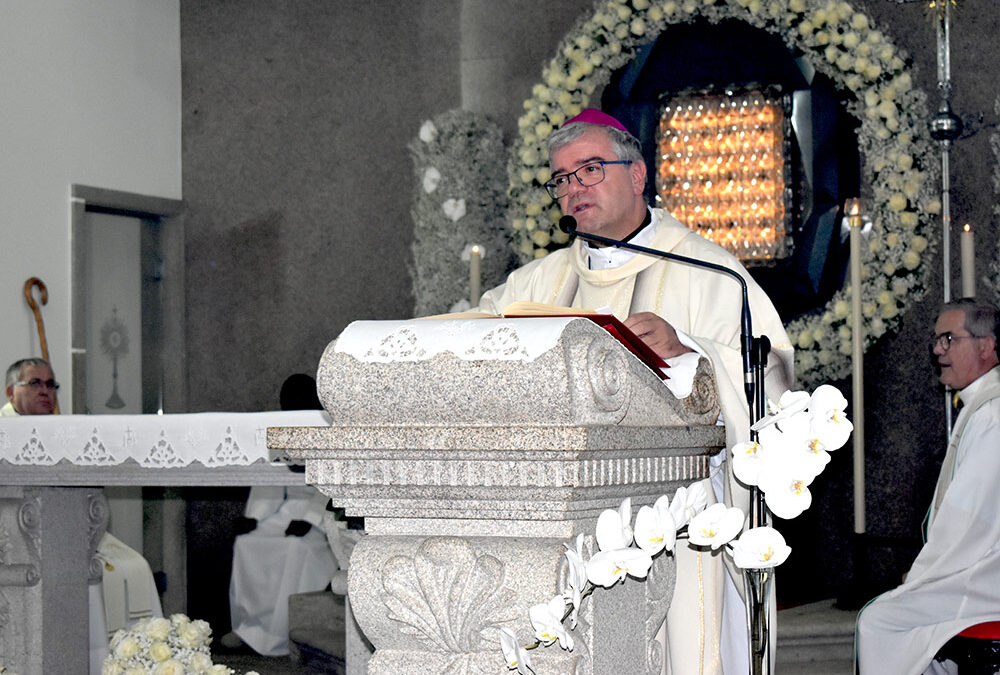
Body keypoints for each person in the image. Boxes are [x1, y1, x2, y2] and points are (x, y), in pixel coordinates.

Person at [478, 109, 793, 675]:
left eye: (590, 169)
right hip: (560, 516)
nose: (573, 188)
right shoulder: (537, 283)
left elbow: (772, 375)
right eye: (562, 178)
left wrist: (692, 350)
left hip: (680, 522)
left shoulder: (709, 271)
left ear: (638, 175)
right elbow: (467, 340)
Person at [857, 298, 1000, 675]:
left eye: (949, 339)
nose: (938, 350)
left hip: (986, 578)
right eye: (937, 340)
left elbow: (969, 522)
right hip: (981, 566)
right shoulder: (982, 406)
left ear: (987, 346)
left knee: (878, 621)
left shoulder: (992, 416)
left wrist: (921, 575)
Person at [223, 374, 337, 656]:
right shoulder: (279, 429)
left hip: (320, 517)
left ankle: (282, 633)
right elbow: (271, 480)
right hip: (283, 511)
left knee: (295, 549)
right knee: (247, 543)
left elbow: (330, 484)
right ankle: (247, 628)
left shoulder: (329, 428)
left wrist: (310, 520)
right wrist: (255, 517)